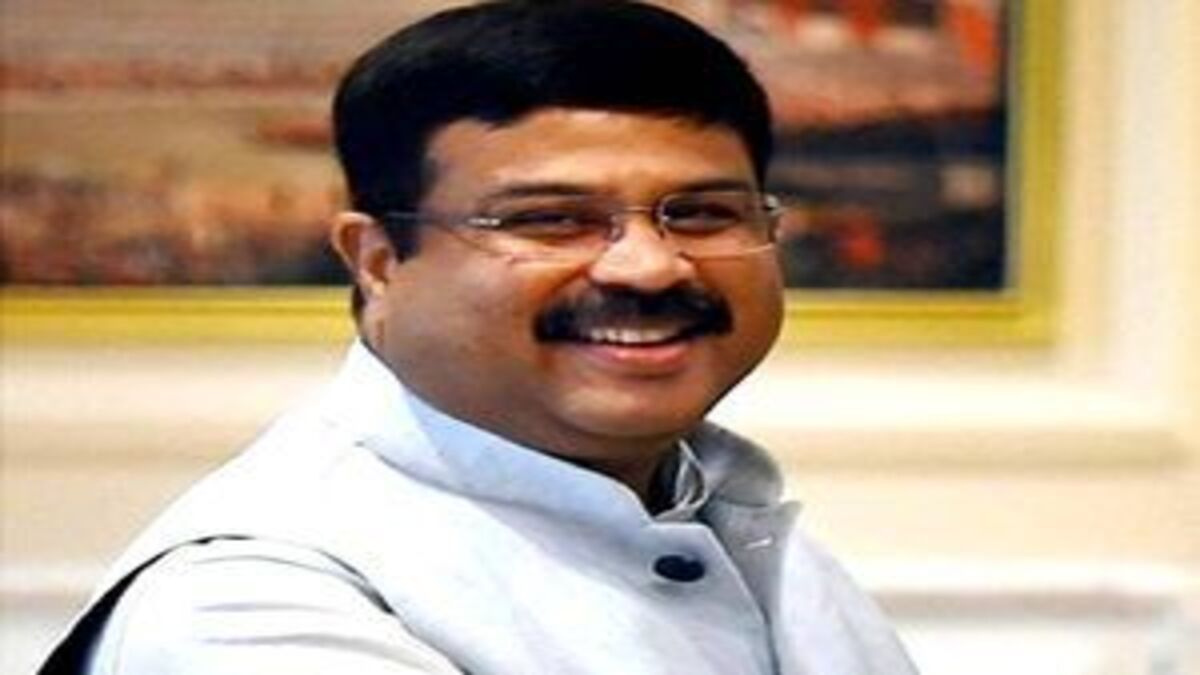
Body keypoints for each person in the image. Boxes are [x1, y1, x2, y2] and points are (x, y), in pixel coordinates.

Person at [41, 1, 916, 673]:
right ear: (379, 260)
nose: (650, 267)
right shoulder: (254, 606)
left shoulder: (720, 512)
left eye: (701, 213)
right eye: (551, 220)